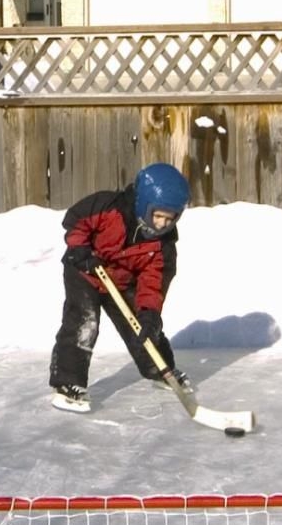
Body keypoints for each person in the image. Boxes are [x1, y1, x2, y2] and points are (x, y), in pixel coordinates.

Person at [49, 162, 191, 414]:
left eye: (170, 219)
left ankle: (161, 371)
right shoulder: (109, 207)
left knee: (142, 326)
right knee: (84, 322)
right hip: (86, 271)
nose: (161, 225)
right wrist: (80, 249)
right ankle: (68, 384)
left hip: (122, 281)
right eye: (157, 215)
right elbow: (75, 220)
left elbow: (153, 280)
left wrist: (149, 312)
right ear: (142, 203)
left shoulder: (163, 245)